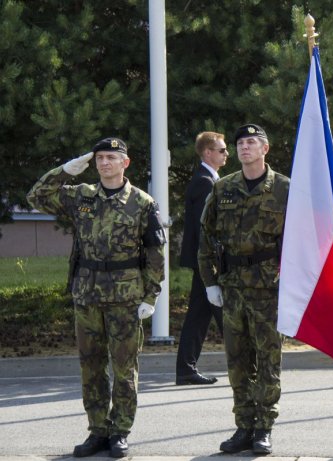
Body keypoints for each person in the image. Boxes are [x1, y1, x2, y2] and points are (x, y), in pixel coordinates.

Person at [27, 138, 166, 458]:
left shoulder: (143, 202)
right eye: (100, 158)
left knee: (123, 368)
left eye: (112, 158)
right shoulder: (82, 196)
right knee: (90, 367)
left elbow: (155, 252)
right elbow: (37, 196)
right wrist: (64, 171)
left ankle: (120, 431)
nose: (104, 163)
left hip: (125, 295)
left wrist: (151, 294)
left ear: (125, 163)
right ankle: (98, 430)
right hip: (87, 293)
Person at [197, 124, 289, 456]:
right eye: (239, 143)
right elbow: (205, 238)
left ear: (265, 149)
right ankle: (244, 426)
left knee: (267, 360)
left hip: (269, 288)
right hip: (233, 287)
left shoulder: (283, 189)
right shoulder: (223, 188)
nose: (244, 148)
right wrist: (210, 282)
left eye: (251, 142)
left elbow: (300, 240)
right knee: (237, 361)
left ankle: (264, 427)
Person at [175, 131, 228, 385]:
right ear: (208, 153)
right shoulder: (205, 182)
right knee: (224, 311)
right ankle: (245, 363)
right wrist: (212, 259)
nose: (226, 154)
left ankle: (186, 368)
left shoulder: (208, 179)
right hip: (207, 260)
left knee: (199, 314)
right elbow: (203, 227)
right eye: (222, 150)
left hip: (205, 260)